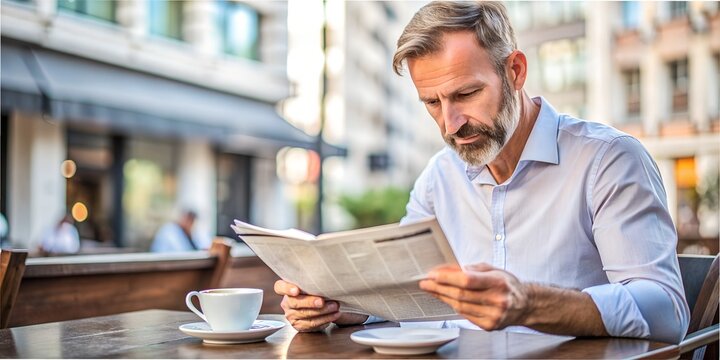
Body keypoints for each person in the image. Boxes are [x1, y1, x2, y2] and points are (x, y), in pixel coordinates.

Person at [274, 1, 689, 344]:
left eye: (466, 94)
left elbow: (667, 311)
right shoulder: (439, 177)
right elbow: (406, 293)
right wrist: (344, 308)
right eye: (432, 103)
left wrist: (530, 304)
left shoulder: (608, 160)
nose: (450, 124)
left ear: (516, 72)